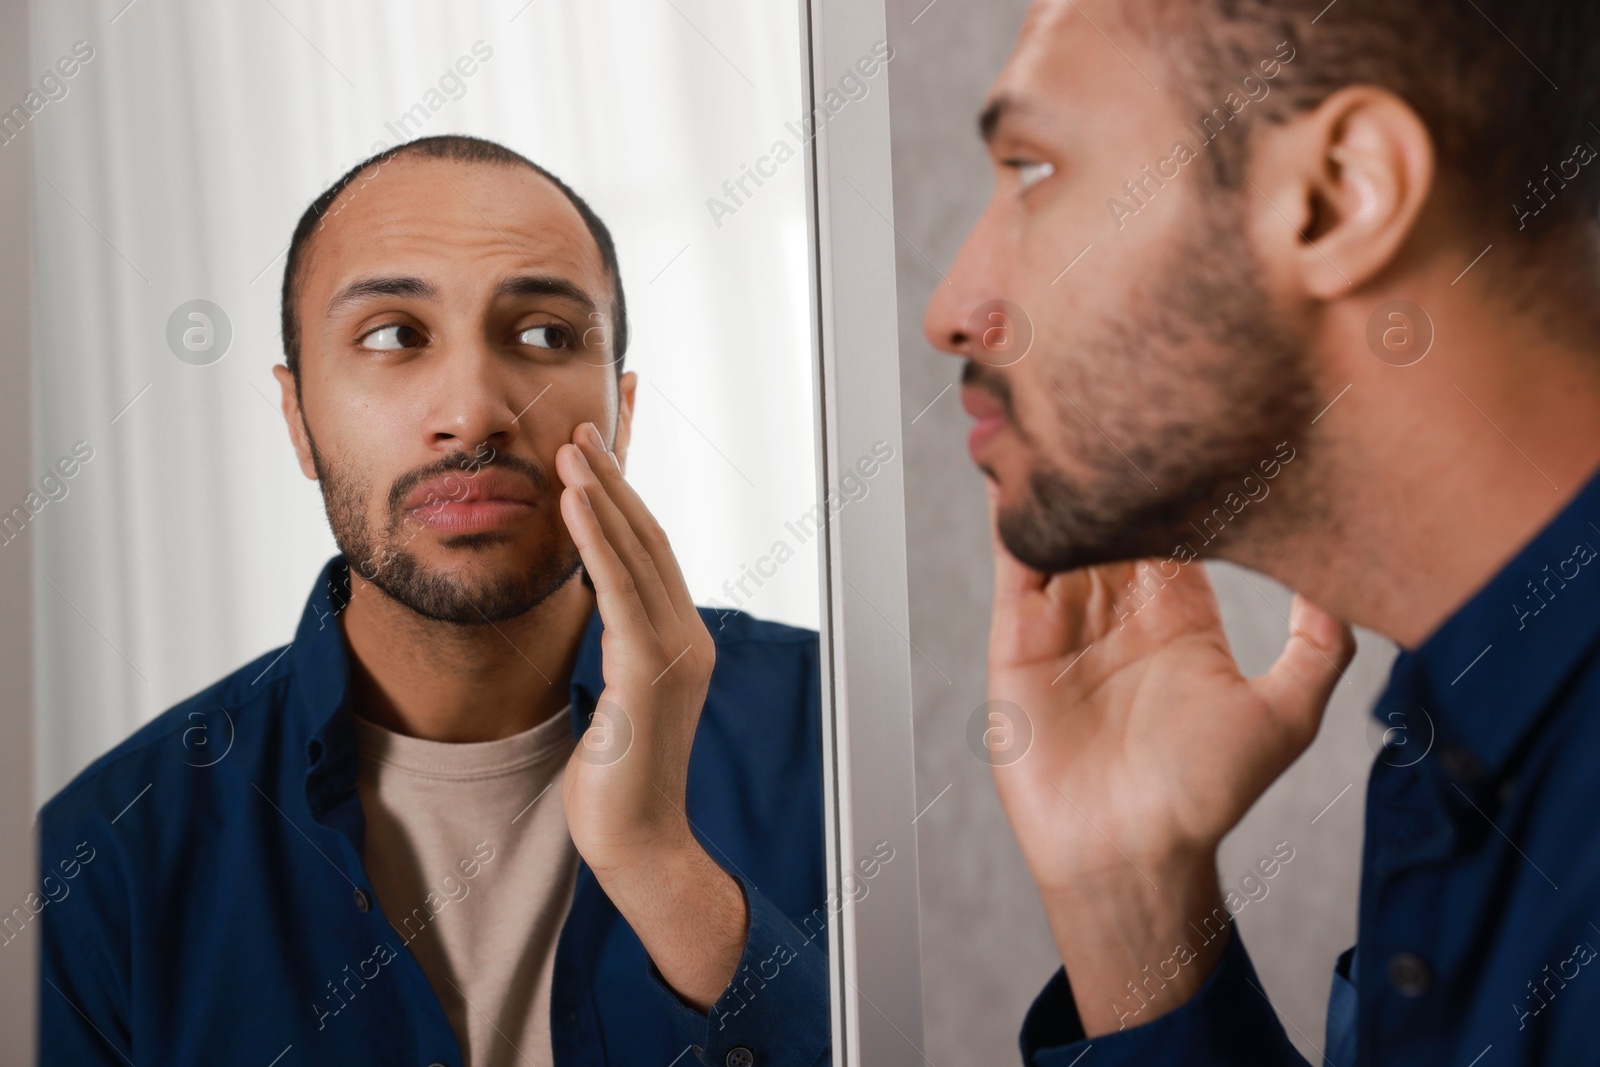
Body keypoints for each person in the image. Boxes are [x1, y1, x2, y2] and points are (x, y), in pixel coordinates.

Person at [37, 135, 829, 1067]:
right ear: (298, 420)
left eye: (543, 334)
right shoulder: (101, 865)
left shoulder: (846, 737)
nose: (475, 409)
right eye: (392, 336)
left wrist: (660, 860)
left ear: (623, 412)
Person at [924, 1, 1600, 1062]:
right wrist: (1129, 894)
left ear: (1337, 197)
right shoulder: (1461, 748)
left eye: (1033, 171)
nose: (954, 309)